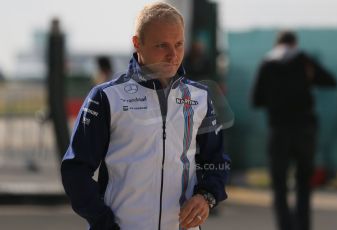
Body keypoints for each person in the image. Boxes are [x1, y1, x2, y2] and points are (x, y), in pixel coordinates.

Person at [61, 2, 230, 230]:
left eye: (179, 44)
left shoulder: (200, 97)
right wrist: (103, 223)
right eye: (162, 46)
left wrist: (207, 197)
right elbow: (76, 171)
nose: (173, 55)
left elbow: (216, 161)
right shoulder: (106, 98)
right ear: (137, 43)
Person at [252, 30, 337, 230]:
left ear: (277, 43)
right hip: (304, 131)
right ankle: (303, 226)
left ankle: (285, 226)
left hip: (279, 130)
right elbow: (331, 81)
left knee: (279, 185)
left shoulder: (267, 63)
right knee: (303, 184)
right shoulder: (304, 60)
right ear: (295, 43)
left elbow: (256, 100)